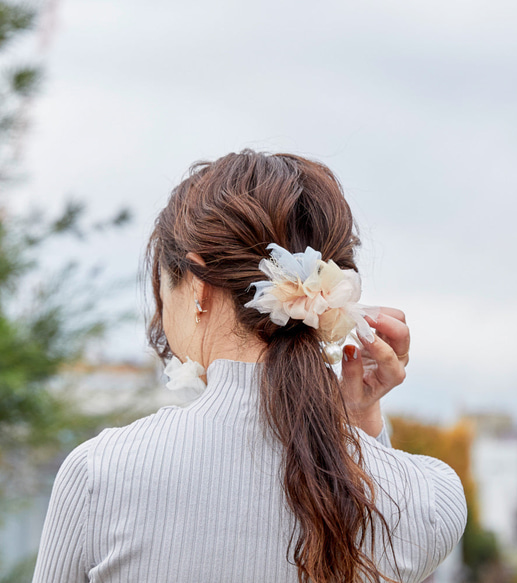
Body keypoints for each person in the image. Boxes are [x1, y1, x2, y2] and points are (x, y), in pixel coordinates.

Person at [32, 150, 467, 583]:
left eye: (163, 290)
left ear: (199, 287)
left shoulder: (99, 475)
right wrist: (360, 422)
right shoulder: (430, 500)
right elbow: (388, 530)